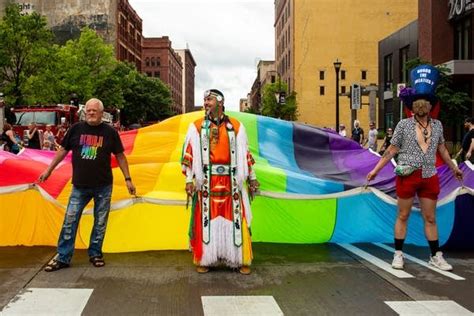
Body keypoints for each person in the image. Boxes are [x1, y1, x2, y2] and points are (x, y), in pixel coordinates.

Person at [367, 65, 463, 271]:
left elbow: (443, 150)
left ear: (430, 106)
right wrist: (375, 170)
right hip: (408, 175)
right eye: (418, 103)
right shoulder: (403, 125)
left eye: (425, 103)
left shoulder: (437, 126)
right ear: (412, 106)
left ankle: (435, 255)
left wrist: (453, 167)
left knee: (430, 217)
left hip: (430, 176)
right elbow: (391, 150)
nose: (421, 107)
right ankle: (398, 254)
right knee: (403, 215)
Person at [38, 98, 136, 272]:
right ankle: (63, 257)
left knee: (100, 222)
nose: (91, 113)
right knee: (70, 220)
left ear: (101, 113)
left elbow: (120, 155)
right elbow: (62, 150)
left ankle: (95, 253)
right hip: (79, 186)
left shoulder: (110, 132)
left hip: (103, 186)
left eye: (94, 111)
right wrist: (49, 170)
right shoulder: (76, 129)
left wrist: (128, 179)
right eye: (88, 110)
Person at [181, 89, 259, 275]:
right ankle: (206, 259)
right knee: (207, 221)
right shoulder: (197, 127)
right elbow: (189, 155)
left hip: (232, 183)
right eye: (205, 100)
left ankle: (240, 259)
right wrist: (189, 179)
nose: (206, 103)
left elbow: (245, 155)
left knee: (237, 221)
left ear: (220, 101)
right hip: (207, 182)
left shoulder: (237, 127)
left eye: (209, 99)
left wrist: (253, 178)